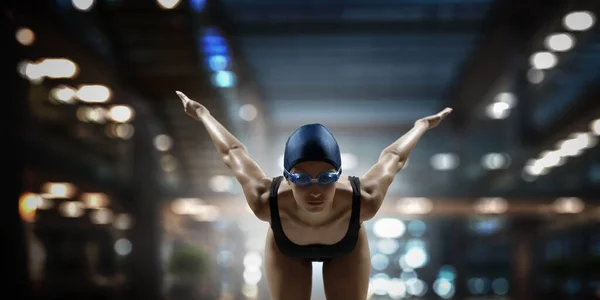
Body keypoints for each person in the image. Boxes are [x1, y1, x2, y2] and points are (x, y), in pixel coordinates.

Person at [176, 91, 452, 300]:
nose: (315, 190)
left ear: (340, 175)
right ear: (286, 177)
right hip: (287, 249)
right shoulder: (266, 201)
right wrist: (203, 114)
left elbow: (393, 158)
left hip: (347, 247)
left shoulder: (363, 200)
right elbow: (233, 153)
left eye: (327, 178)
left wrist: (421, 127)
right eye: (301, 179)